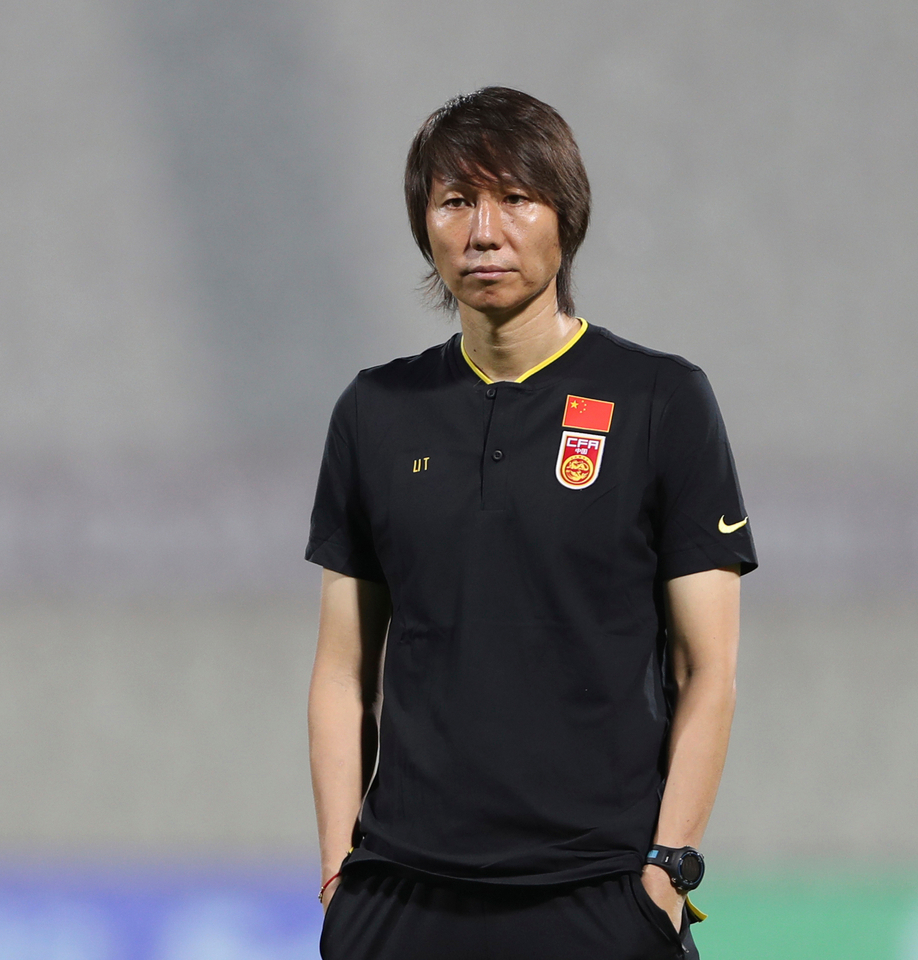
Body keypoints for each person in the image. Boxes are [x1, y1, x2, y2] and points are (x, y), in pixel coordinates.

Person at [305, 86, 757, 960]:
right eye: (455, 201)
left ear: (565, 217)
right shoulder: (377, 410)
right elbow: (341, 672)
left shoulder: (661, 399)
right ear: (425, 226)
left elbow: (711, 668)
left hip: (596, 893)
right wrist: (339, 877)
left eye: (515, 198)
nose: (484, 231)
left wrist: (665, 875)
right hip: (403, 895)